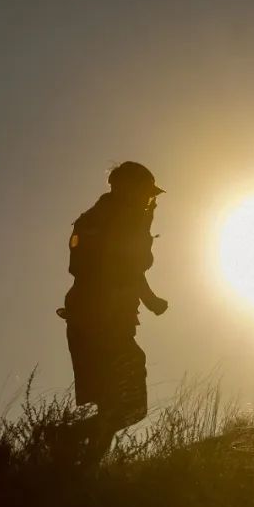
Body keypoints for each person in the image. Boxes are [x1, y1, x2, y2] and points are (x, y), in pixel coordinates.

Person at [58, 161, 169, 463]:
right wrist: (151, 300)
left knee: (112, 404)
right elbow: (128, 266)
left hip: (87, 319)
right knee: (130, 405)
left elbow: (120, 266)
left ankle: (81, 470)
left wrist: (149, 299)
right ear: (127, 188)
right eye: (146, 193)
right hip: (103, 321)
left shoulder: (98, 217)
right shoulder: (120, 218)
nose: (150, 200)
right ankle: (66, 442)